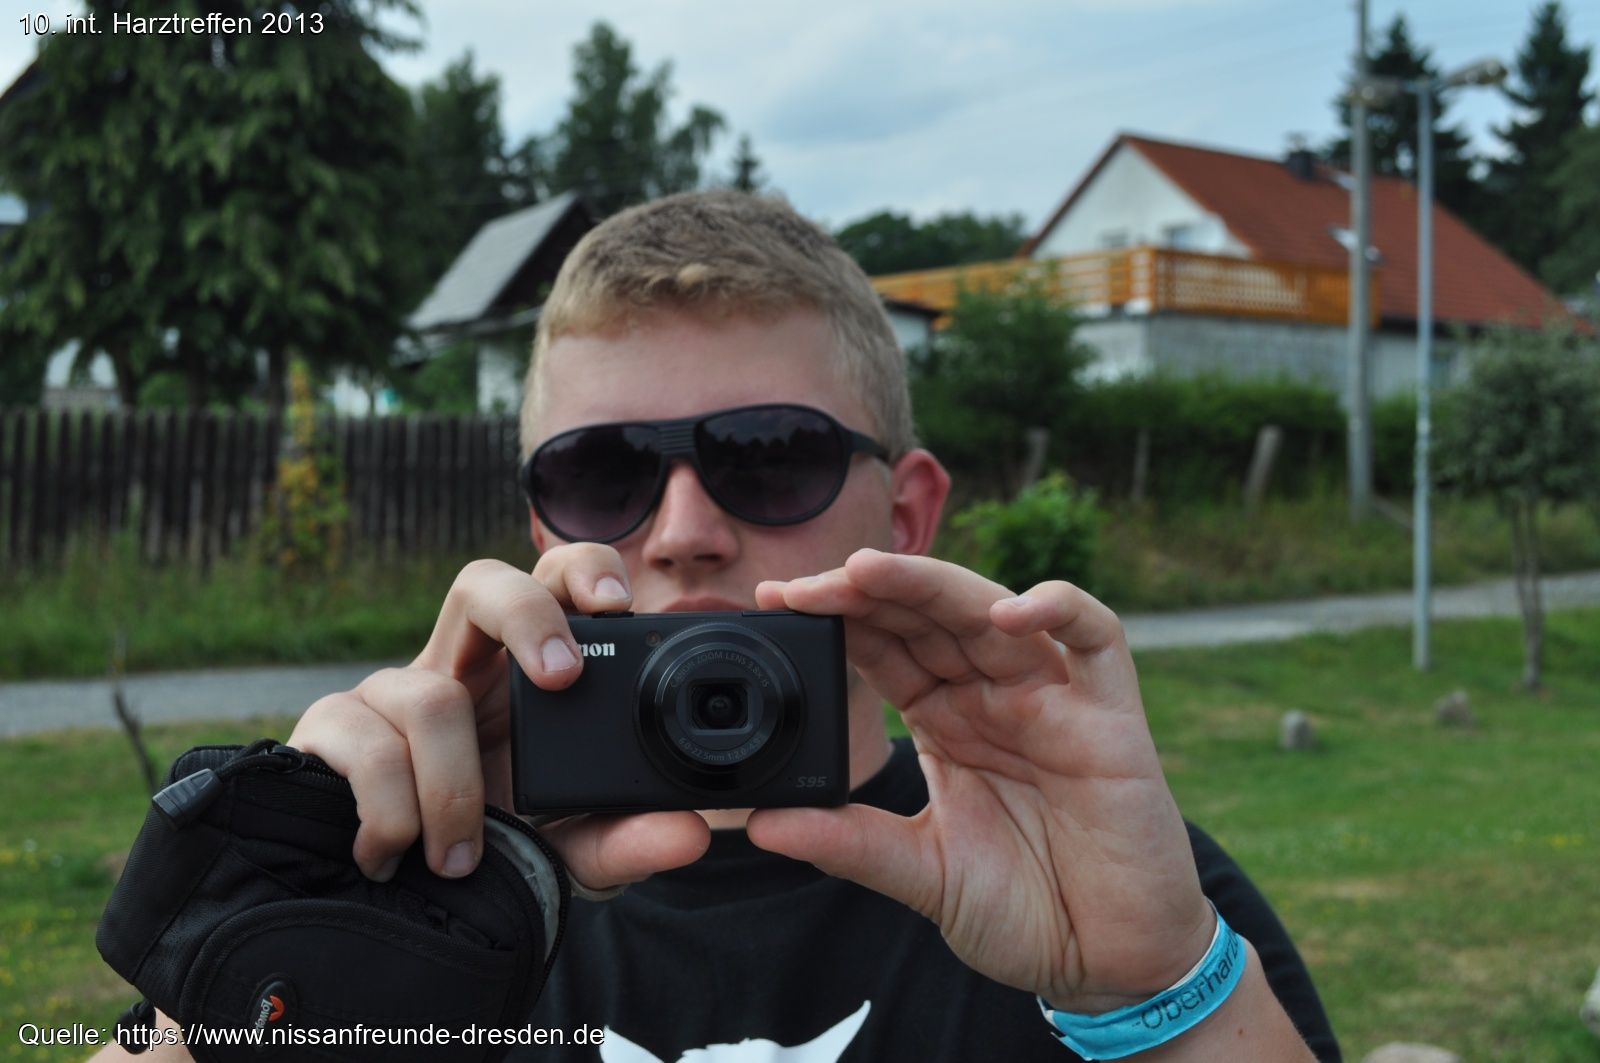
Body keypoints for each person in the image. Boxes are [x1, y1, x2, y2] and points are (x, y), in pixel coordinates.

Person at [93, 190, 1338, 1062]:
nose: (684, 530)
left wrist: (1150, 993)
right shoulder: (445, 899)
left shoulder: (1094, 876)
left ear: (908, 514)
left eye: (770, 455)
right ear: (542, 530)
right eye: (600, 475)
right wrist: (289, 942)